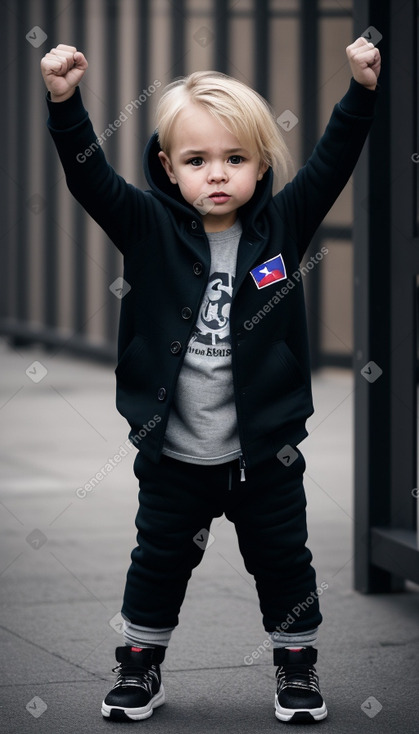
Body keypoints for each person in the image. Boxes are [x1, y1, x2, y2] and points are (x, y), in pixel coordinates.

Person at [40, 36, 380, 724]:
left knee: (284, 562)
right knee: (157, 563)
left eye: (234, 159)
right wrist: (64, 102)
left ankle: (295, 671)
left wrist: (361, 91)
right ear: (168, 167)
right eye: (196, 161)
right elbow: (86, 176)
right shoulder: (145, 224)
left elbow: (333, 160)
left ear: (261, 165)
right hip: (174, 454)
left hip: (266, 456)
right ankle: (139, 669)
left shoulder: (281, 224)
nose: (216, 175)